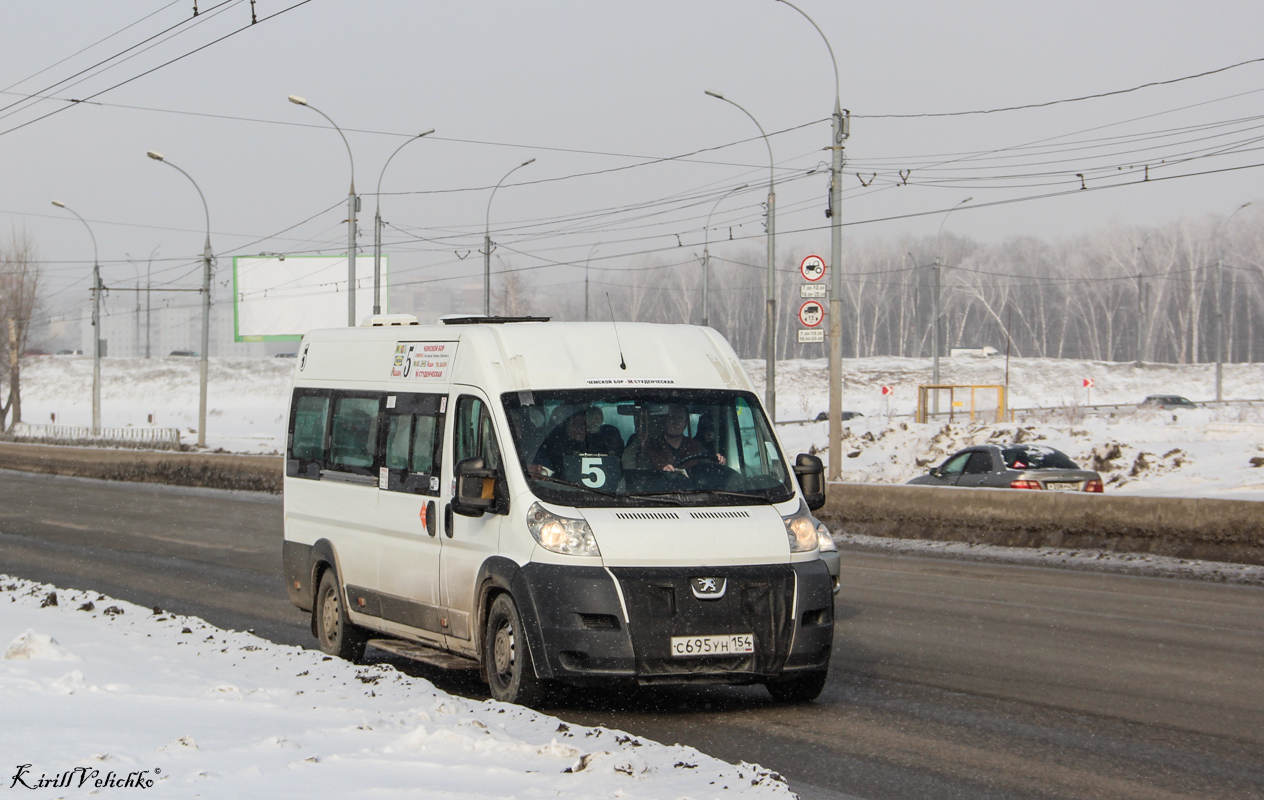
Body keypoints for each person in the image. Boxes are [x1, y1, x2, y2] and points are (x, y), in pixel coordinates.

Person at [644, 404, 725, 472]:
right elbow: (643, 477)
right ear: (663, 421)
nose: (676, 422)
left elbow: (708, 469)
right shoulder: (650, 448)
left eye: (680, 418)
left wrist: (717, 462)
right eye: (672, 417)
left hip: (695, 490)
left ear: (686, 423)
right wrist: (661, 473)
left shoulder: (696, 447)